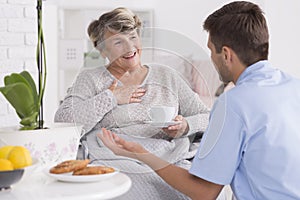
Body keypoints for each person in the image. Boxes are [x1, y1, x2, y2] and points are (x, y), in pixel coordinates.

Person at [99, 1, 300, 200]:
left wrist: (141, 153)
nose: (211, 57)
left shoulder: (233, 104)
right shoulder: (294, 86)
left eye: (211, 50)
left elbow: (203, 192)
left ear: (227, 54)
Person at [55, 7, 211, 200]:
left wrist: (186, 126)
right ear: (102, 49)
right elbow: (64, 121)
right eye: (118, 42)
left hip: (169, 156)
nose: (130, 48)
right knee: (129, 189)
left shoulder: (166, 75)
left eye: (133, 37)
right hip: (118, 159)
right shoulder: (91, 78)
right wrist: (111, 98)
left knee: (195, 187)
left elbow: (208, 117)